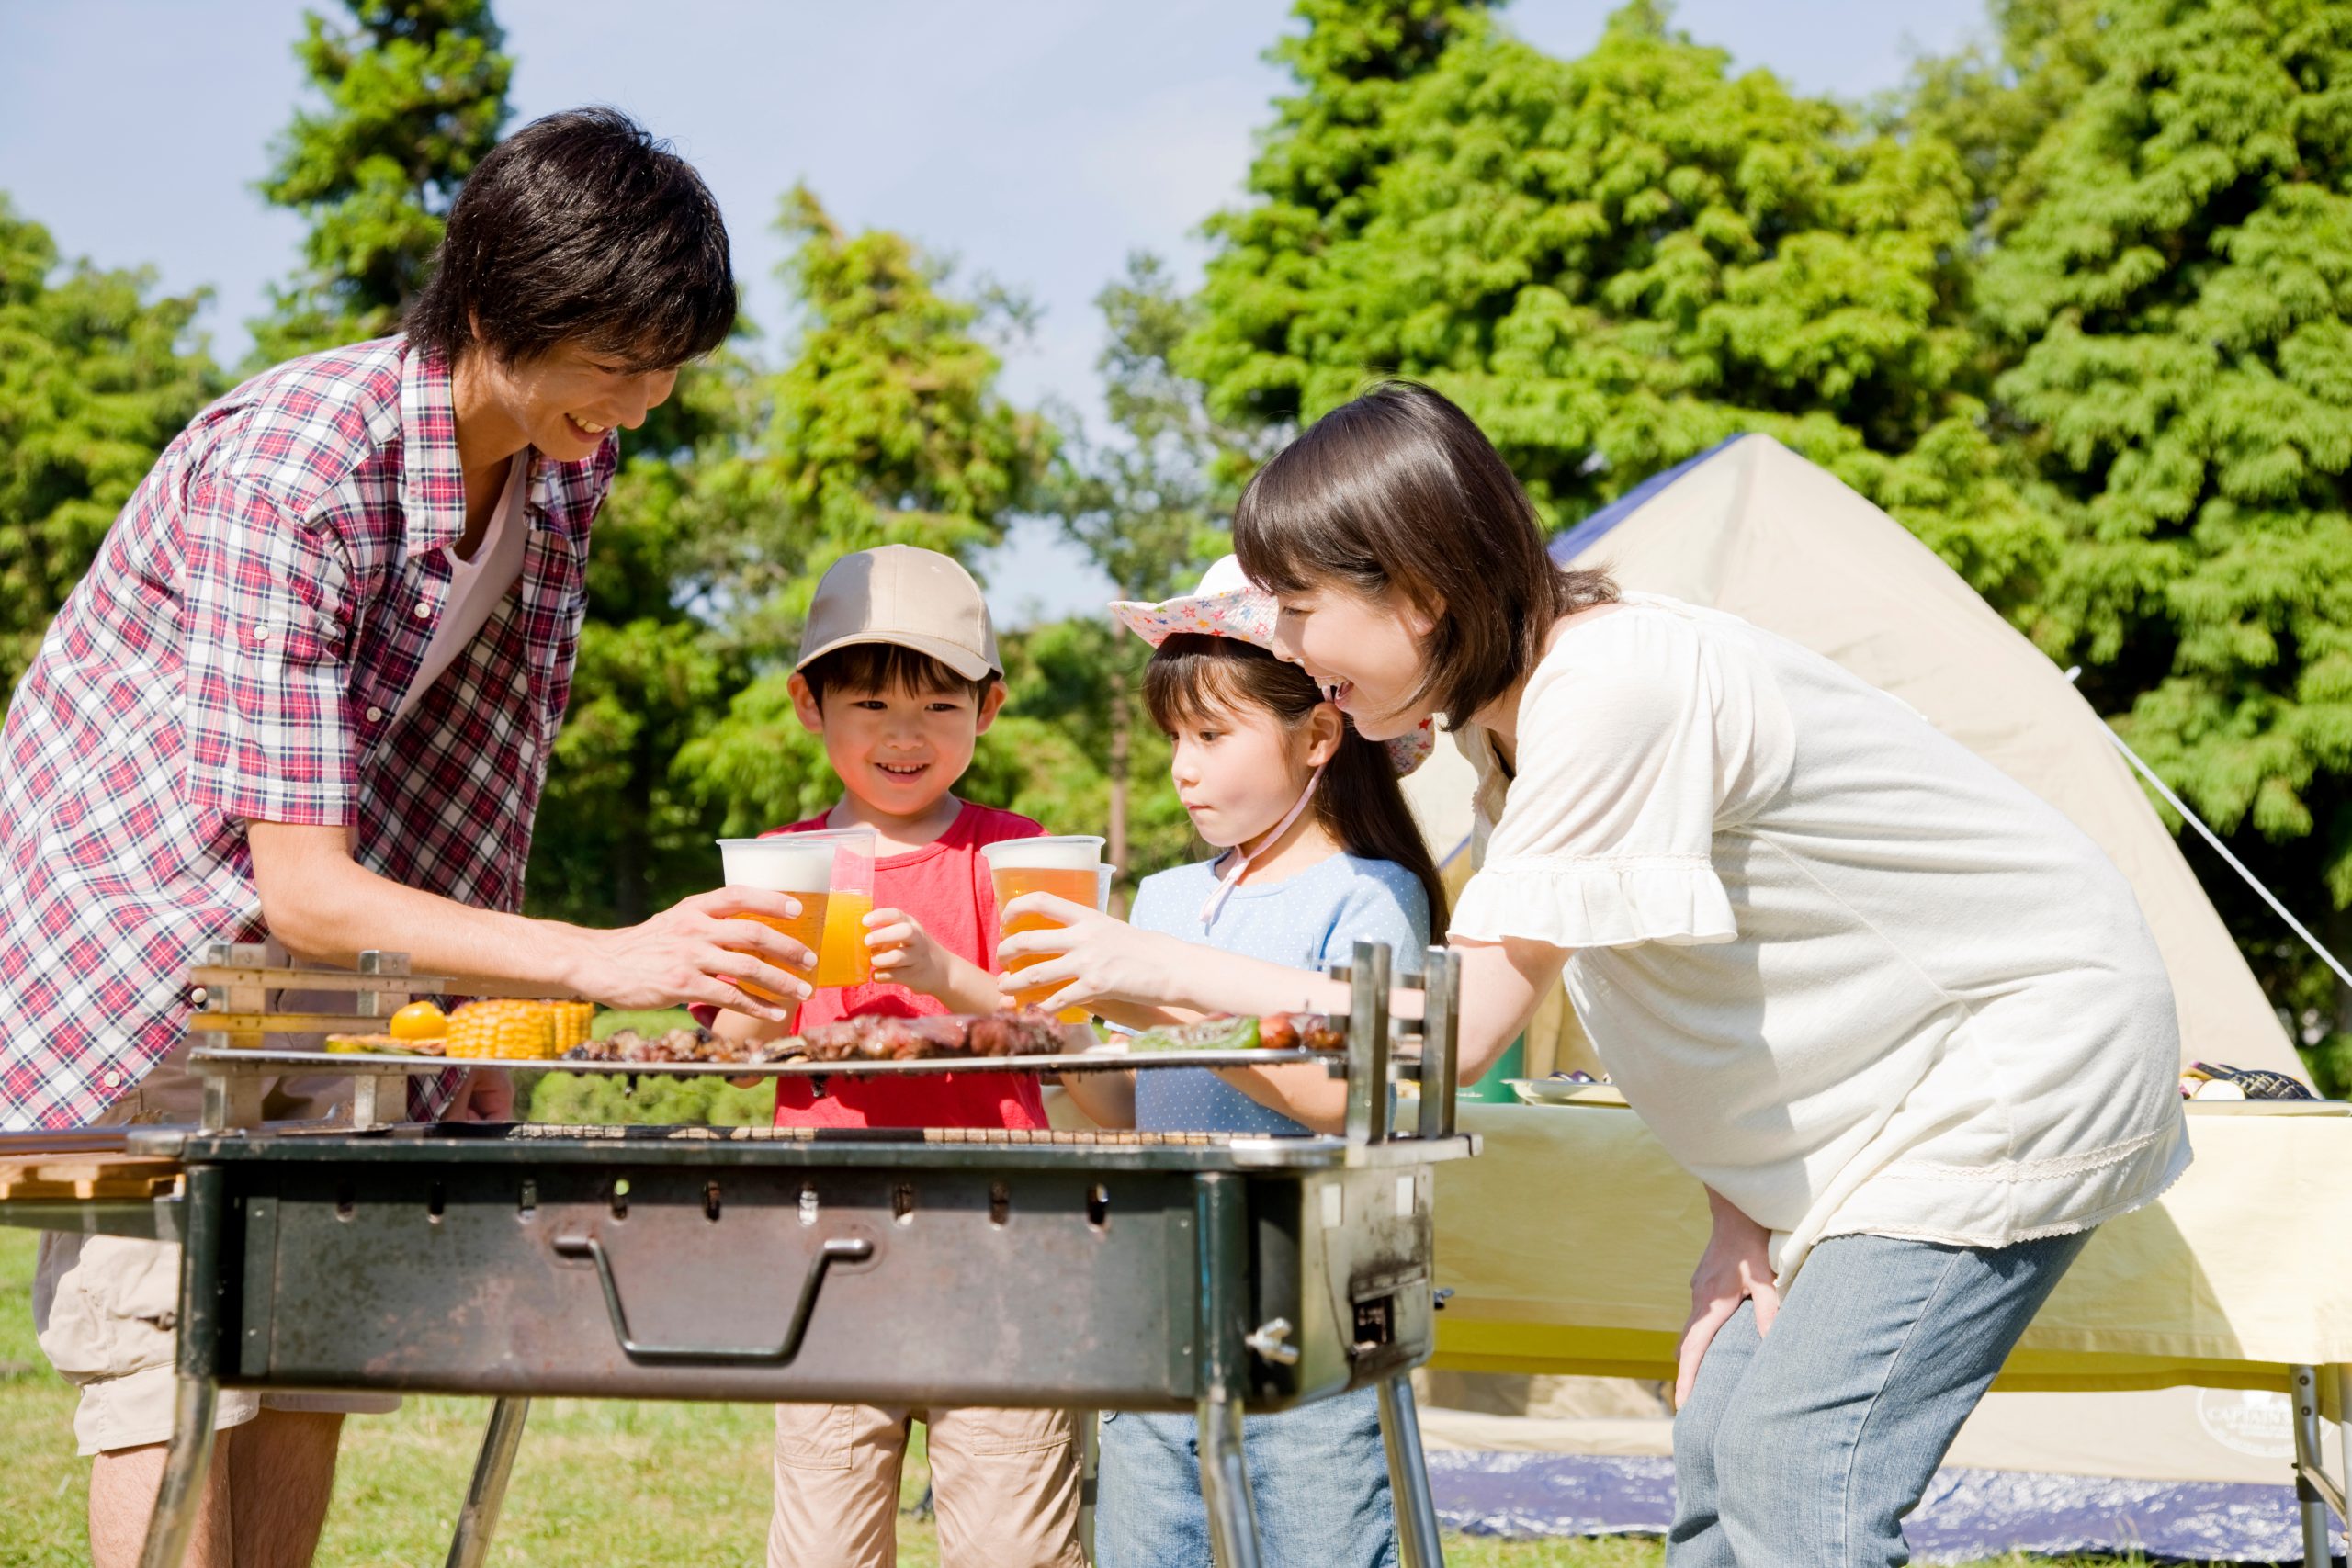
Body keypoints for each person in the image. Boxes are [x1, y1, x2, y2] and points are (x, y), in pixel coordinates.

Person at [998, 382, 2191, 1566]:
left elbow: (1447, 1037)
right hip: (1870, 1106)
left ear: (1418, 588)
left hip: (2019, 1053)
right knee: (1722, 1428)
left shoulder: (1609, 688)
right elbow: (1692, 963)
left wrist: (1156, 963)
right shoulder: (1510, 724)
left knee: (1796, 1466)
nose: (1294, 646)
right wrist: (1743, 1208)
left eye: (1301, 607)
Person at [0, 109, 817, 1568]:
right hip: (144, 931)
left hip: (335, 966)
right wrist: (605, 958)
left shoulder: (564, 469)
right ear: (503, 309)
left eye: (668, 365)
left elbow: (481, 764)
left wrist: (475, 1035)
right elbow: (300, 883)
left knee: (305, 1331)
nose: (644, 400)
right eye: (620, 361)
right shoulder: (294, 472)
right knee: (165, 1350)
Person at [706, 544, 1086, 1568]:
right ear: (808, 703)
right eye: (870, 704)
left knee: (1016, 1540)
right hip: (826, 1247)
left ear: (989, 707)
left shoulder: (1015, 852)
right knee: (825, 1538)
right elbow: (734, 1059)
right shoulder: (780, 863)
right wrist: (770, 984)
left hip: (1001, 1240)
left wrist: (941, 970)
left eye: (938, 706)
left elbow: (1068, 1037)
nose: (904, 736)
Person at [1058, 557, 1440, 1567]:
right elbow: (1124, 1110)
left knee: (1316, 1543)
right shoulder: (1165, 898)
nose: (1182, 767)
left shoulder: (1367, 895)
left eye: (1211, 735)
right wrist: (1061, 1028)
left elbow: (1346, 1102)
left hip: (1310, 1298)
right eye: (1174, 737)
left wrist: (1170, 995)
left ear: (1319, 734)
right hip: (1163, 1286)